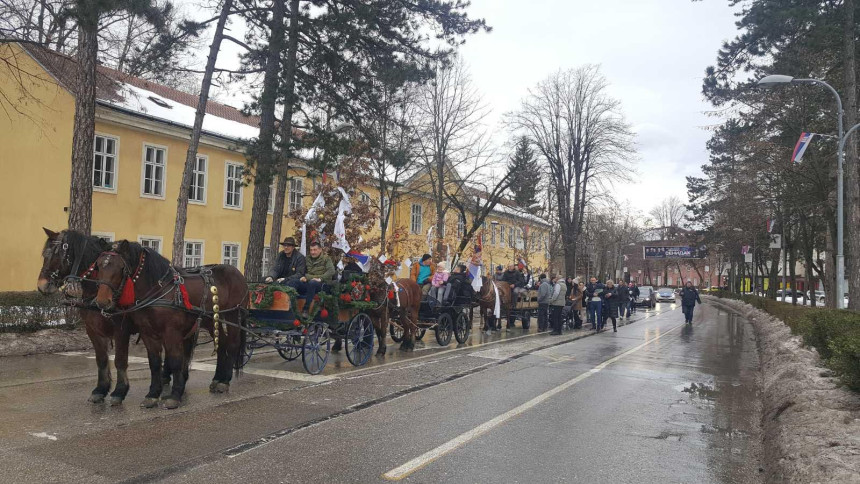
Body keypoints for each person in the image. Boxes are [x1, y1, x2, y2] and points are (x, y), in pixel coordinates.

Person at [287, 241, 335, 317]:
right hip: (308, 282)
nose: (312, 252)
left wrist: (320, 278)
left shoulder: (326, 259)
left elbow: (331, 271)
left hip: (322, 285)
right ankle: (291, 306)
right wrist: (303, 277)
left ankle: (306, 309)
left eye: (315, 250)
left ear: (320, 250)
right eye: (311, 250)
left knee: (312, 283)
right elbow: (302, 271)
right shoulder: (307, 259)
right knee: (293, 282)